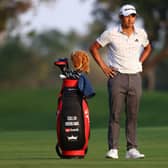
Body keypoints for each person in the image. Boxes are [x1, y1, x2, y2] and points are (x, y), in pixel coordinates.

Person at [89, 4, 152, 159]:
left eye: (132, 16)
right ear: (120, 17)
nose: (130, 19)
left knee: (132, 115)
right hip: (117, 78)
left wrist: (140, 62)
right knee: (115, 114)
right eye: (126, 16)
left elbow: (148, 47)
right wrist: (104, 67)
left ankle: (131, 149)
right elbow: (94, 48)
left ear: (135, 17)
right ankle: (113, 149)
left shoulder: (141, 33)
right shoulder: (111, 33)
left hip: (135, 77)